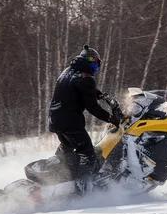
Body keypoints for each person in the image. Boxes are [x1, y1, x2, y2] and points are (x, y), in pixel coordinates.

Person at [48, 45, 121, 194]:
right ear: (88, 61)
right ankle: (83, 190)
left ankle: (55, 175)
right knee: (87, 153)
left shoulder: (68, 72)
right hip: (70, 122)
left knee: (67, 150)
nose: (95, 68)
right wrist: (112, 119)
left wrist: (98, 93)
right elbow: (93, 108)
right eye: (94, 64)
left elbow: (76, 87)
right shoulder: (86, 79)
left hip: (55, 120)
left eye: (97, 65)